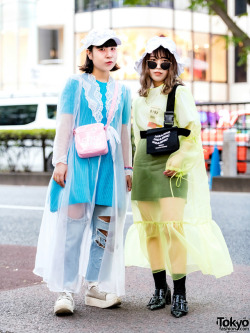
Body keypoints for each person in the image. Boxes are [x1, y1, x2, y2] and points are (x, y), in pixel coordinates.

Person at [125, 36, 233, 318]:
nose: (158, 67)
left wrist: (179, 160)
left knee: (173, 228)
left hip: (173, 168)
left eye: (164, 62)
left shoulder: (180, 93)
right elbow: (136, 138)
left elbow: (192, 132)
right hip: (144, 166)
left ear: (172, 65)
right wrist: (131, 170)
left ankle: (180, 293)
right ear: (145, 66)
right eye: (152, 62)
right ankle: (160, 289)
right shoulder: (140, 97)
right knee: (150, 230)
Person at [34, 29, 132, 315]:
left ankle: (92, 285)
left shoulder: (122, 91)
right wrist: (60, 161)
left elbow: (125, 132)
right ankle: (65, 290)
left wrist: (127, 167)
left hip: (109, 169)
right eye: (102, 49)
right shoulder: (74, 85)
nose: (109, 54)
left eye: (113, 48)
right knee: (73, 227)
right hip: (79, 164)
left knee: (103, 229)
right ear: (89, 53)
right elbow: (64, 124)